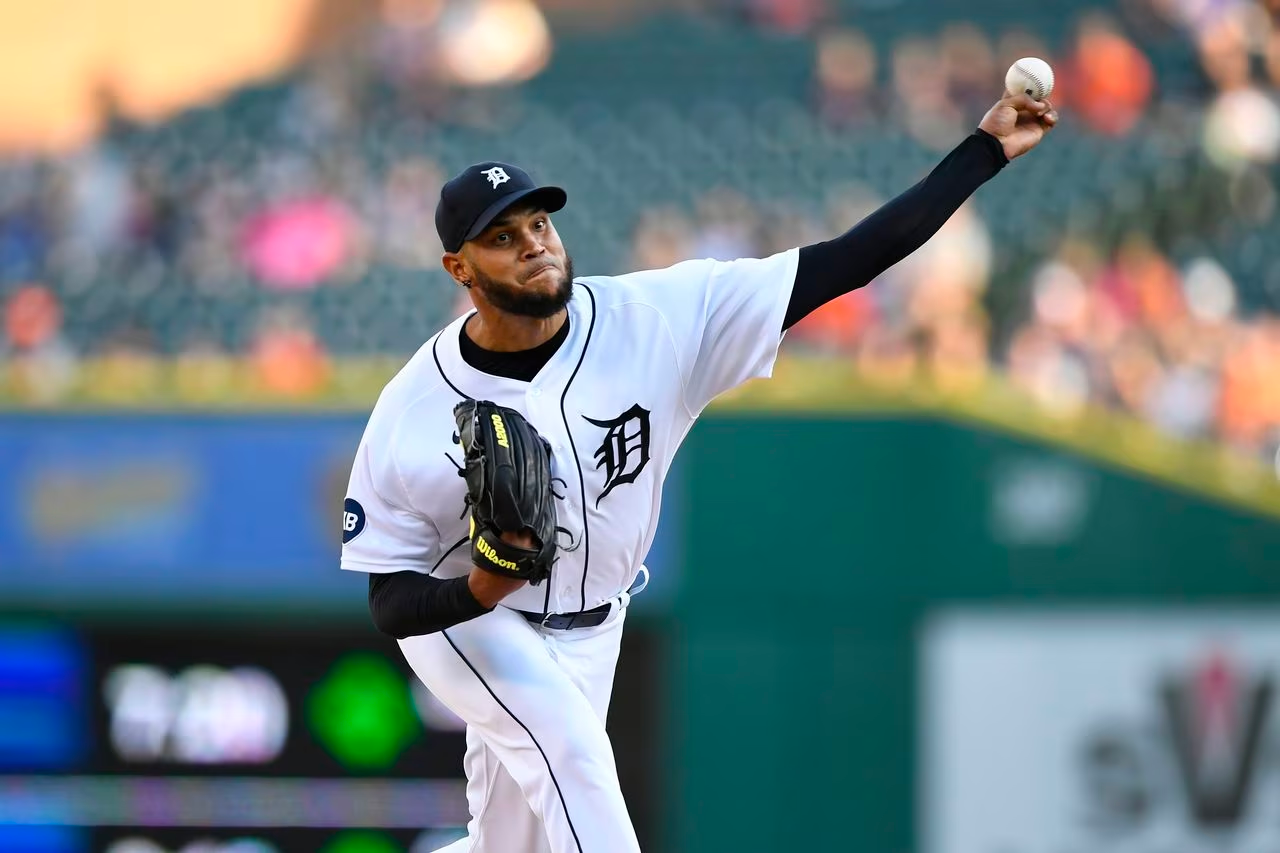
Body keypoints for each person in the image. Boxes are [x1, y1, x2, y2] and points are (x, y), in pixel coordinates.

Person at [340, 91, 1058, 852]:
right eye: (501, 236)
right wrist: (479, 588)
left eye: (539, 222)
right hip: (473, 623)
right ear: (459, 267)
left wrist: (983, 152)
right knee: (574, 755)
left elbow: (849, 259)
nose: (534, 244)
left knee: (510, 845)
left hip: (595, 620)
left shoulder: (657, 319)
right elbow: (389, 599)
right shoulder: (413, 407)